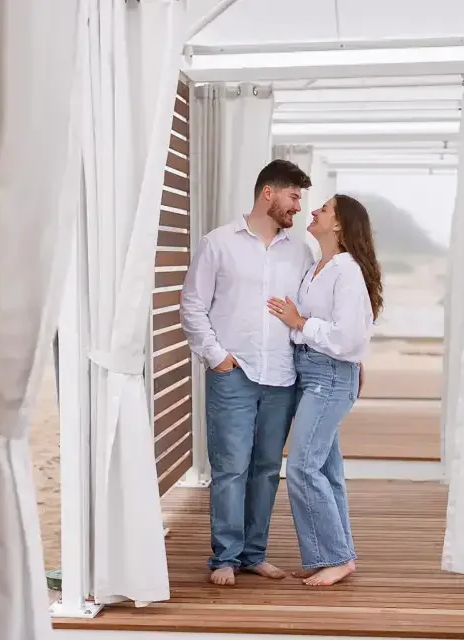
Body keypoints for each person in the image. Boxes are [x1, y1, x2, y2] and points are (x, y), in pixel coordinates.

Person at [180, 159, 314, 587]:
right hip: (233, 372)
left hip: (283, 375)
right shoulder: (218, 243)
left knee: (265, 468)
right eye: (294, 195)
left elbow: (309, 309)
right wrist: (216, 356)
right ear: (268, 193)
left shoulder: (301, 251)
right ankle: (226, 555)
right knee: (230, 468)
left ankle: (254, 554)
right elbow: (192, 304)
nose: (298, 206)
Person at [266, 194, 383, 587]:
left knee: (302, 467)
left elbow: (347, 337)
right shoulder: (320, 266)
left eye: (325, 209)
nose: (313, 210)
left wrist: (300, 322)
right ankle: (332, 555)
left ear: (339, 225)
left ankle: (334, 556)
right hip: (313, 373)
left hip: (329, 376)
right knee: (326, 469)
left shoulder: (346, 271)